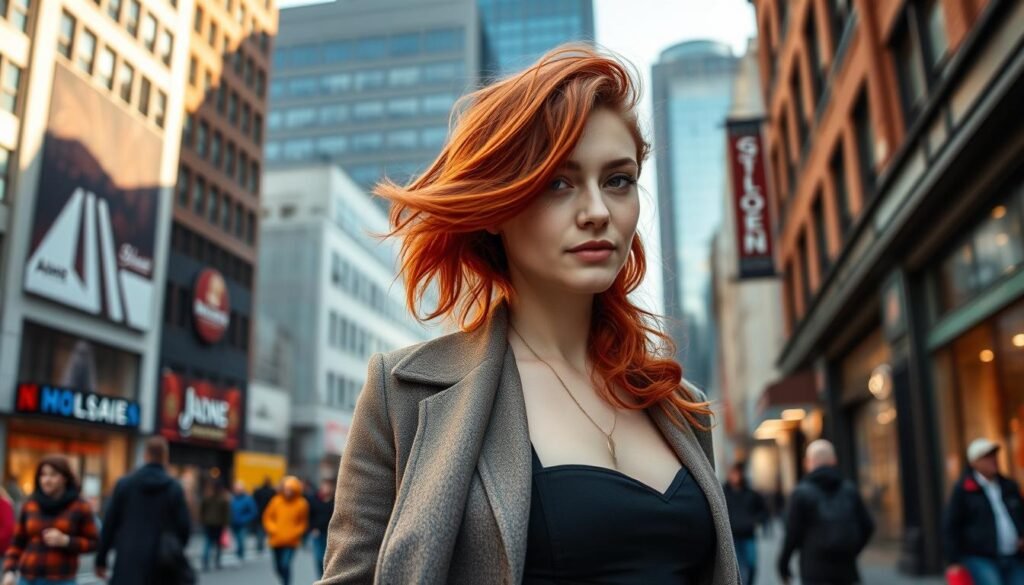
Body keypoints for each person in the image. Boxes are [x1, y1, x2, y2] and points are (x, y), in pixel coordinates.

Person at [318, 44, 739, 584]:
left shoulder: (680, 404)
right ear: (497, 206)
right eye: (557, 183)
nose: (596, 212)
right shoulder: (402, 395)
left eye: (618, 180)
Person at [96, 436, 193, 585]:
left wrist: (101, 559)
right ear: (165, 457)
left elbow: (109, 524)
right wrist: (174, 547)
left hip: (127, 559)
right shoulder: (173, 488)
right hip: (162, 561)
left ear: (145, 455)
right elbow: (184, 527)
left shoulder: (125, 484)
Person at [778, 440, 874, 585]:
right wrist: (851, 550)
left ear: (808, 462)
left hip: (814, 570)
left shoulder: (800, 493)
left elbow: (792, 534)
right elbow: (868, 526)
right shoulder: (849, 489)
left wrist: (783, 565)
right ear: (834, 460)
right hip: (846, 570)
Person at [1, 456, 98, 585]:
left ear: (64, 478)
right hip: (27, 578)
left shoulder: (80, 506)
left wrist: (66, 541)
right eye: (43, 475)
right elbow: (17, 542)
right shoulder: (30, 504)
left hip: (62, 579)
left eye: (53, 475)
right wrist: (9, 571)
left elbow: (94, 543)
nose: (47, 480)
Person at [944, 438, 1024, 585]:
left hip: (1014, 555)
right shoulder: (964, 490)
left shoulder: (1009, 486)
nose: (992, 460)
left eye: (993, 455)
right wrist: (953, 560)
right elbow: (951, 525)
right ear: (974, 463)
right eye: (986, 457)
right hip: (981, 557)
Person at [724, 461, 766, 585]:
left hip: (748, 535)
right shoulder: (724, 493)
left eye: (737, 474)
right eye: (732, 473)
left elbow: (763, 510)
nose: (734, 476)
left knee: (751, 565)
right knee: (736, 568)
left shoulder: (751, 493)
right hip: (733, 536)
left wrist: (755, 521)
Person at [263, 476, 308, 585]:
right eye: (286, 489)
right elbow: (267, 517)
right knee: (277, 567)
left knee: (285, 564)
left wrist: (296, 532)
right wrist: (272, 529)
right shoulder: (276, 501)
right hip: (276, 539)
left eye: (291, 490)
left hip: (291, 541)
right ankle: (284, 581)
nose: (288, 492)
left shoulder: (302, 504)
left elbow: (303, 522)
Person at [200, 481, 231, 571]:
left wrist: (203, 520)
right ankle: (217, 562)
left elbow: (202, 510)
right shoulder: (223, 499)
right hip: (219, 524)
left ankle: (205, 561)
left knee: (208, 542)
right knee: (218, 543)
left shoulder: (207, 498)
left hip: (208, 523)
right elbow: (226, 513)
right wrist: (226, 524)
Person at [308, 477, 335, 580]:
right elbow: (310, 515)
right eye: (325, 485)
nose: (327, 488)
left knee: (328, 557)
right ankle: (321, 577)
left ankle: (326, 577)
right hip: (318, 533)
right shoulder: (314, 499)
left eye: (329, 486)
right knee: (319, 557)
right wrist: (312, 528)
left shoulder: (335, 501)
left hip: (330, 533)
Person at [230, 481, 259, 562]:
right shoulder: (232, 498)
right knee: (236, 539)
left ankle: (240, 555)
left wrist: (245, 519)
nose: (237, 491)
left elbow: (253, 512)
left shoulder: (248, 499)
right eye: (236, 489)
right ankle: (239, 553)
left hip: (243, 523)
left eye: (239, 489)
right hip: (233, 523)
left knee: (240, 540)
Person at [253, 478, 276, 553]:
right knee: (268, 530)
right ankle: (266, 544)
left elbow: (254, 499)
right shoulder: (272, 492)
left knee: (260, 531)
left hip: (260, 514)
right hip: (270, 515)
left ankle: (260, 545)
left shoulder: (259, 491)